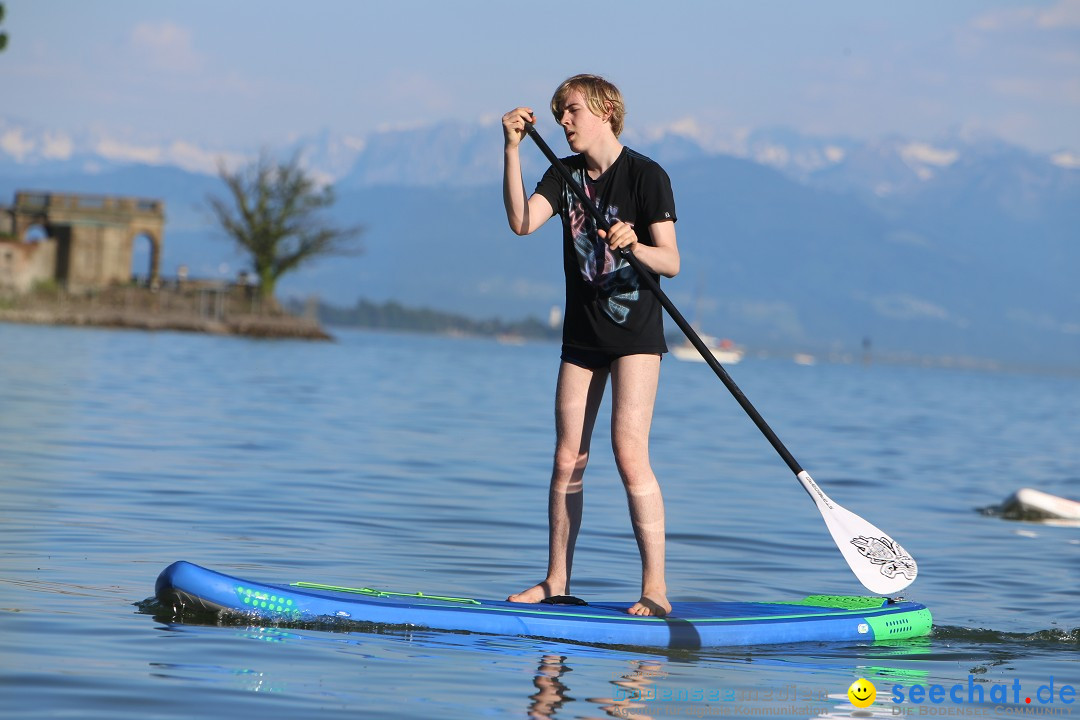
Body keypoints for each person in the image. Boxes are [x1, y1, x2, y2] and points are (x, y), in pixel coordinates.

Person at [501, 74, 680, 617]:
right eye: (558, 113)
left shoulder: (648, 175)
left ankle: (656, 590)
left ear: (605, 110)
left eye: (572, 110)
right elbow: (520, 223)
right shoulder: (564, 175)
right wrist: (511, 151)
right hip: (581, 335)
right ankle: (557, 581)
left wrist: (637, 244)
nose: (563, 121)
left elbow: (671, 262)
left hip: (634, 336)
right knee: (567, 459)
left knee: (629, 454)